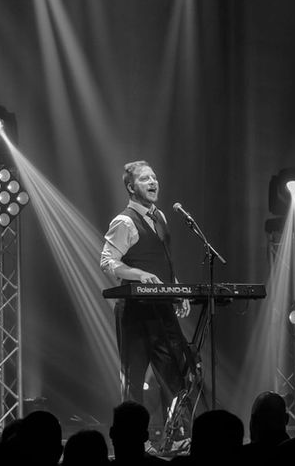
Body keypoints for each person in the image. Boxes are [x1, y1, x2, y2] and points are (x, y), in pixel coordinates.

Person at [100, 161, 195, 421]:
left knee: (173, 374)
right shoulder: (124, 222)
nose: (153, 182)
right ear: (131, 187)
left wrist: (177, 290)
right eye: (145, 179)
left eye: (154, 177)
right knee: (134, 377)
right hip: (135, 311)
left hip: (161, 306)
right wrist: (138, 275)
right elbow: (107, 261)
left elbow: (163, 261)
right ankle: (133, 438)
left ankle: (177, 436)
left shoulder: (160, 216)